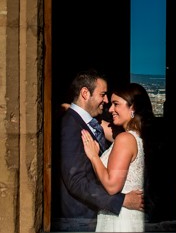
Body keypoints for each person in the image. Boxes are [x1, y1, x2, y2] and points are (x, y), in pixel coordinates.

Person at [58, 71, 144, 231]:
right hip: (80, 219)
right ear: (85, 93)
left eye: (114, 103)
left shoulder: (91, 123)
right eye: (103, 94)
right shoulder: (70, 125)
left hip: (102, 219)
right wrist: (122, 201)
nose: (106, 102)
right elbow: (75, 181)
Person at [80, 82, 152, 232]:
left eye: (116, 104)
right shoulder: (137, 137)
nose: (110, 109)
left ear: (132, 107)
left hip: (120, 221)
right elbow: (102, 126)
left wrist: (94, 156)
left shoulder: (125, 139)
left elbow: (112, 186)